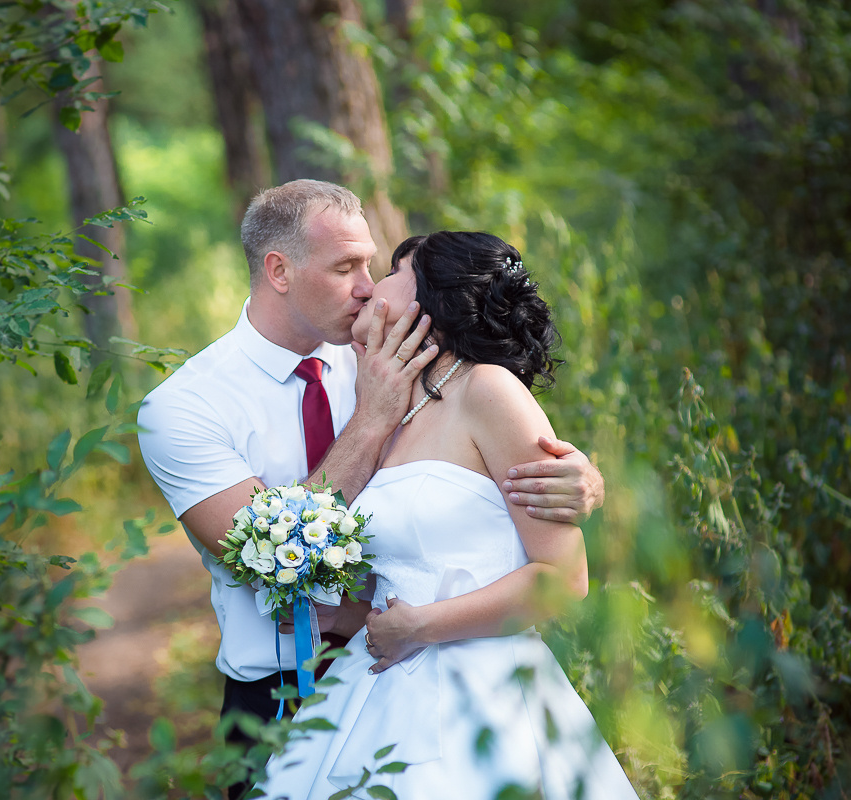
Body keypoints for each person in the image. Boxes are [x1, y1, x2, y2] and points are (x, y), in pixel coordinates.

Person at [136, 181, 605, 797]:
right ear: (279, 271)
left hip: (418, 668)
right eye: (344, 266)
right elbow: (269, 562)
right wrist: (372, 417)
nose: (365, 286)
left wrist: (582, 479)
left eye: (373, 264)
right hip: (277, 692)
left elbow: (484, 471)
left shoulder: (396, 354)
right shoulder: (185, 408)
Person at [256, 231, 639, 799]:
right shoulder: (387, 408)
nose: (367, 288)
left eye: (389, 270)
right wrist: (341, 612)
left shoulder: (488, 390)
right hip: (376, 681)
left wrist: (419, 627)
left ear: (428, 300)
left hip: (481, 688)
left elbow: (565, 580)